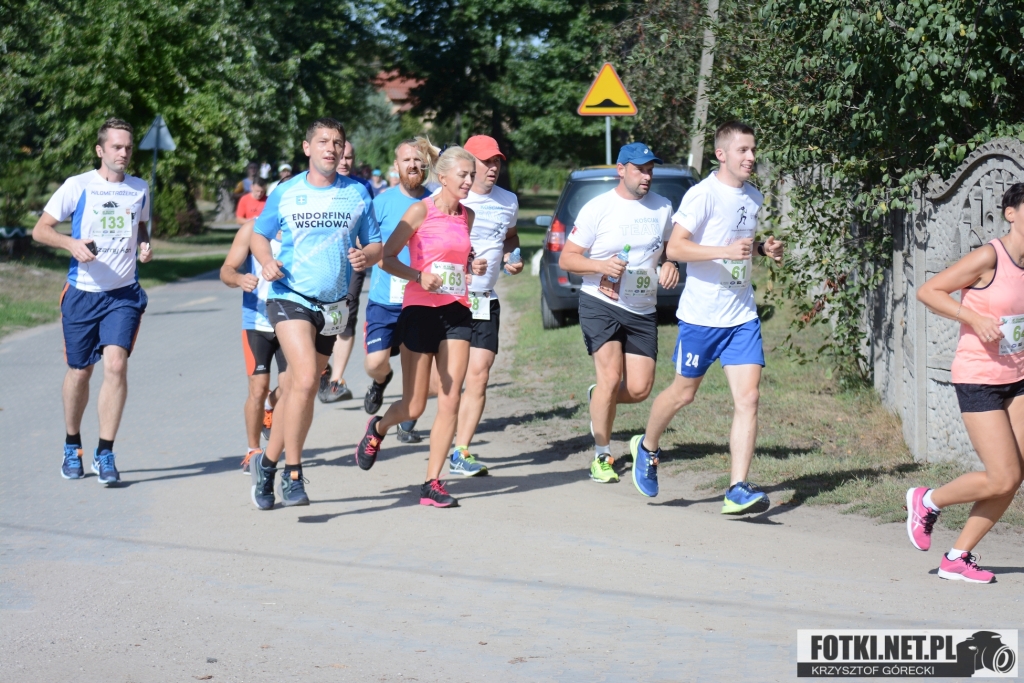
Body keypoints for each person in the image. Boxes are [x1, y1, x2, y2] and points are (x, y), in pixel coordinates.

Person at [628, 122, 783, 509]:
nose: (751, 157)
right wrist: (724, 252)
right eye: (743, 150)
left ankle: (737, 488)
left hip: (741, 315)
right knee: (684, 393)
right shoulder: (702, 195)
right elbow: (676, 249)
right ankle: (647, 447)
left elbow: (739, 245)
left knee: (749, 398)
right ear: (721, 155)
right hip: (701, 316)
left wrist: (762, 249)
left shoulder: (753, 196)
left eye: (753, 150)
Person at [249, 118, 382, 509]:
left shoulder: (357, 192)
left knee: (297, 389)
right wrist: (266, 260)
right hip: (289, 296)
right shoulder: (287, 191)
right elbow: (259, 235)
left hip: (333, 306)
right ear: (307, 148)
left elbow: (376, 245)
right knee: (307, 378)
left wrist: (366, 255)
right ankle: (293, 474)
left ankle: (266, 464)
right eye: (323, 141)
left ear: (343, 151)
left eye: (337, 142)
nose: (331, 148)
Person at [355, 145, 486, 508]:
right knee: (414, 407)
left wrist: (471, 265)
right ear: (442, 177)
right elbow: (386, 258)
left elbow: (459, 255)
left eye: (471, 175)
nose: (469, 181)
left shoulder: (468, 215)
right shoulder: (420, 211)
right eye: (463, 175)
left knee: (451, 396)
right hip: (420, 309)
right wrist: (418, 275)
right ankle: (378, 428)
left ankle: (432, 482)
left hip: (457, 310)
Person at [906, 183, 1024, 584]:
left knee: (1013, 476)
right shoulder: (990, 256)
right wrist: (973, 318)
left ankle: (957, 557)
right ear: (1011, 213)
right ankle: (928, 500)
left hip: (1018, 378)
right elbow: (929, 291)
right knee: (1001, 476)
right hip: (979, 378)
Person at [32, 117, 153, 485]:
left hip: (123, 294)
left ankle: (105, 452)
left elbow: (141, 225)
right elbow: (41, 230)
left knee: (115, 365)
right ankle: (73, 445)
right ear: (100, 150)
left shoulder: (139, 188)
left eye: (128, 147)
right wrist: (71, 243)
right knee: (80, 371)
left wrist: (144, 245)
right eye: (116, 147)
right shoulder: (78, 185)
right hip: (83, 293)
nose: (123, 153)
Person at [559, 142, 679, 485]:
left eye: (650, 170)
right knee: (611, 378)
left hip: (642, 307)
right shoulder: (598, 208)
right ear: (621, 169)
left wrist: (671, 262)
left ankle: (599, 397)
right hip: (601, 301)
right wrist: (601, 265)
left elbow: (671, 247)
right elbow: (567, 258)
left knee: (640, 389)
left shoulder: (662, 207)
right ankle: (602, 454)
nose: (647, 176)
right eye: (640, 169)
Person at [445, 135, 522, 476]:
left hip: (484, 299)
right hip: (450, 298)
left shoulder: (508, 201)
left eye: (496, 162)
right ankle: (408, 415)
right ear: (468, 163)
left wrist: (512, 256)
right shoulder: (452, 200)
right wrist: (464, 262)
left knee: (479, 374)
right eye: (486, 161)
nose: (493, 168)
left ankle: (460, 450)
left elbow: (511, 236)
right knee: (442, 382)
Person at [362, 139, 433, 444]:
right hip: (385, 299)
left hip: (422, 298)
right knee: (375, 363)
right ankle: (381, 381)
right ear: (396, 166)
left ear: (426, 165)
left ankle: (406, 422)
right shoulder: (381, 203)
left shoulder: (435, 201)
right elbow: (366, 242)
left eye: (418, 160)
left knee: (418, 370)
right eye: (406, 160)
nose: (412, 165)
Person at [220, 218, 287, 475]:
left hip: (291, 321)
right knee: (257, 388)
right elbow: (226, 270)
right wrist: (239, 279)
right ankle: (253, 450)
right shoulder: (252, 228)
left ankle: (270, 404)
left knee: (293, 385)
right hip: (256, 322)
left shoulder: (303, 225)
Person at [318, 140, 374, 403]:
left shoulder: (362, 188)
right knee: (318, 321)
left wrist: (365, 249)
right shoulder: (314, 185)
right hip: (319, 266)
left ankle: (336, 382)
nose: (344, 162)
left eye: (349, 157)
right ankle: (321, 366)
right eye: (341, 156)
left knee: (344, 319)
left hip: (351, 264)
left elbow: (371, 229)